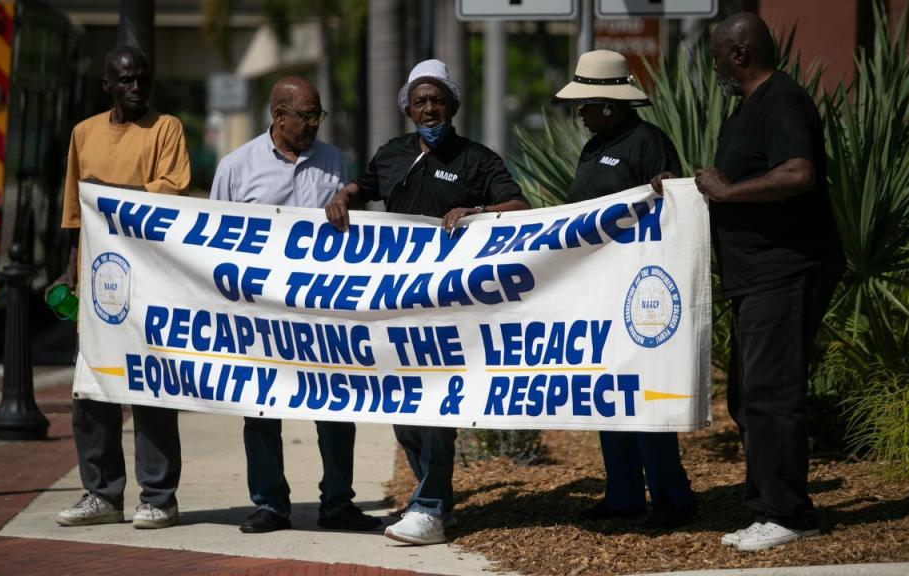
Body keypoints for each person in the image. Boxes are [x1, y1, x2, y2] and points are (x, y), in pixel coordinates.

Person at [654, 13, 844, 551]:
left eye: (716, 56)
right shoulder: (749, 109)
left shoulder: (780, 101)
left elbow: (796, 174)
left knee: (771, 393)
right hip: (755, 276)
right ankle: (766, 507)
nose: (714, 66)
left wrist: (728, 192)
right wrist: (689, 189)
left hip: (785, 269)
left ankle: (789, 516)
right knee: (747, 394)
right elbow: (724, 184)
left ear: (739, 55)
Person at [325, 59, 529, 545]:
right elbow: (367, 188)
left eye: (437, 99)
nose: (430, 108)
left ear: (453, 105)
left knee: (439, 408)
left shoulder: (477, 159)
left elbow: (518, 206)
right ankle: (432, 497)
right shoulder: (393, 153)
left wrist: (476, 211)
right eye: (420, 101)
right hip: (397, 306)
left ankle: (431, 507)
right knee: (404, 410)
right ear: (408, 109)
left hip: (450, 309)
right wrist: (344, 194)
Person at [209, 77, 381, 534]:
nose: (313, 123)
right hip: (260, 318)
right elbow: (210, 243)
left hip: (322, 316)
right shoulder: (235, 167)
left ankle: (338, 502)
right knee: (262, 411)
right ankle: (270, 504)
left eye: (317, 114)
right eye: (305, 115)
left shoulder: (333, 162)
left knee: (337, 409)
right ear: (278, 115)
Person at [553, 50, 698, 530]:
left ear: (611, 104)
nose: (581, 113)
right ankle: (623, 494)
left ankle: (672, 497)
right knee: (607, 392)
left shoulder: (647, 142)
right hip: (598, 290)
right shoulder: (592, 146)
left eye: (587, 105)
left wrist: (665, 188)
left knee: (641, 395)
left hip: (638, 293)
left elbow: (673, 204)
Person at [55, 45, 190, 529]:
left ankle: (159, 497)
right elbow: (77, 212)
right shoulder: (83, 134)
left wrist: (107, 195)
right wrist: (71, 269)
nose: (136, 88)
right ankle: (102, 494)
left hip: (150, 284)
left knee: (151, 390)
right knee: (93, 393)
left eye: (142, 80)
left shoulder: (166, 128)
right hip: (97, 282)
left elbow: (172, 193)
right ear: (107, 85)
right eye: (126, 81)